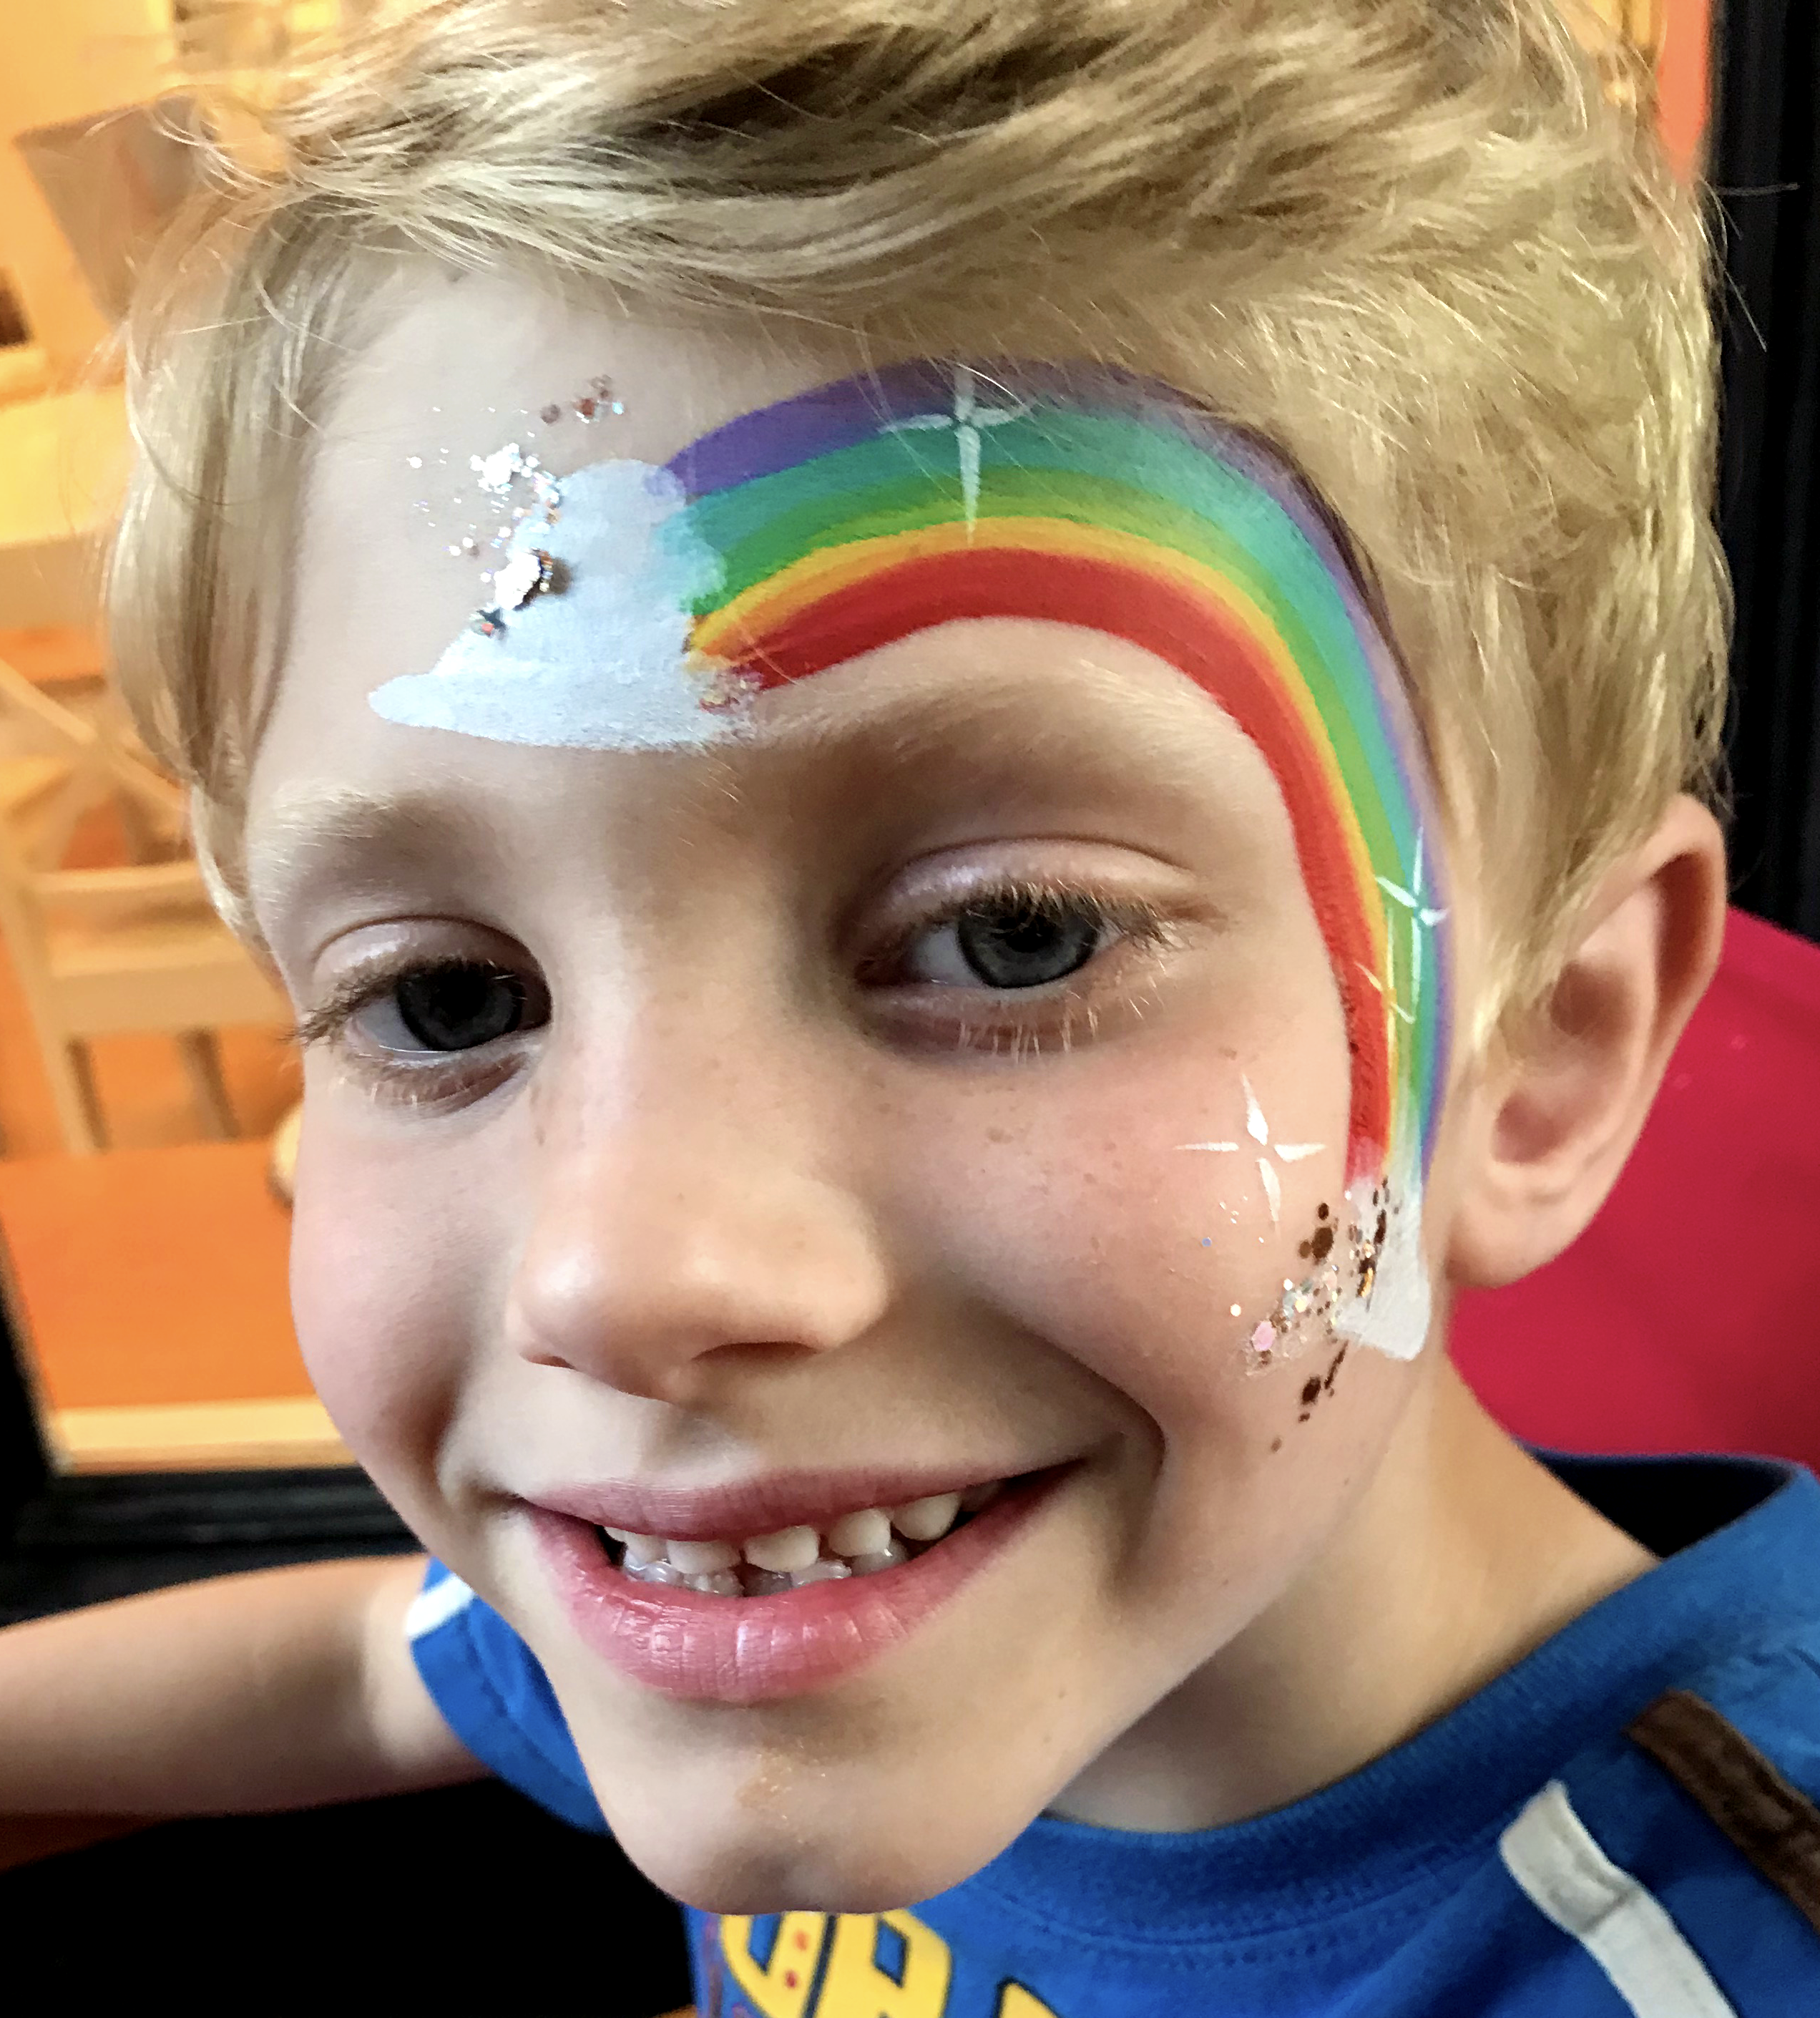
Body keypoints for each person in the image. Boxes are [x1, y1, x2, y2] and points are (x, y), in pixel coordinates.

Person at [6, 1, 1816, 2009]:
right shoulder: (723, 1568)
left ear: (1542, 1049)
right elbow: (370, 1667)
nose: (622, 1274)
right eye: (446, 998)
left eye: (1014, 937)